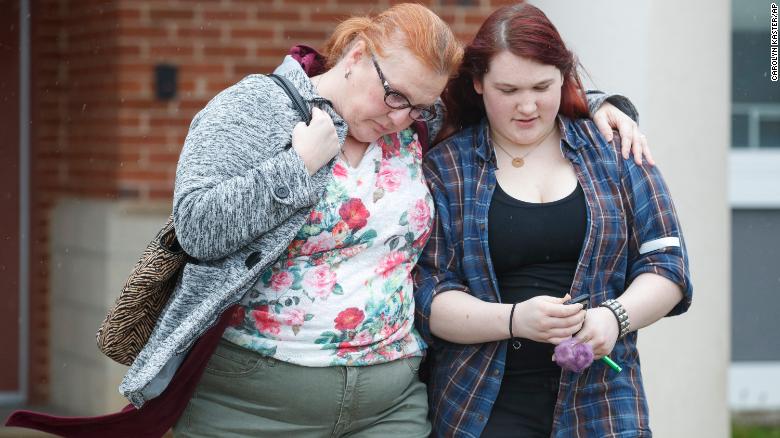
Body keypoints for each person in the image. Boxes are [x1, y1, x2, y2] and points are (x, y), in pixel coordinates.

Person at [111, 3, 643, 437]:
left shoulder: (417, 123)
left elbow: (515, 98)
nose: (399, 117)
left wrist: (596, 103)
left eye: (417, 107)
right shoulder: (254, 108)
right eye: (393, 97)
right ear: (359, 53)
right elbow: (198, 229)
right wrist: (296, 167)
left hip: (389, 407)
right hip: (253, 408)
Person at [414, 4, 692, 438]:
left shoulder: (615, 150)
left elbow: (668, 266)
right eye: (508, 90)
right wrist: (513, 320)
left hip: (602, 398)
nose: (527, 106)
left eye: (543, 87)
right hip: (480, 401)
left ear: (565, 78)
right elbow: (429, 296)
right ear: (478, 83)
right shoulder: (445, 168)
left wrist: (613, 317)